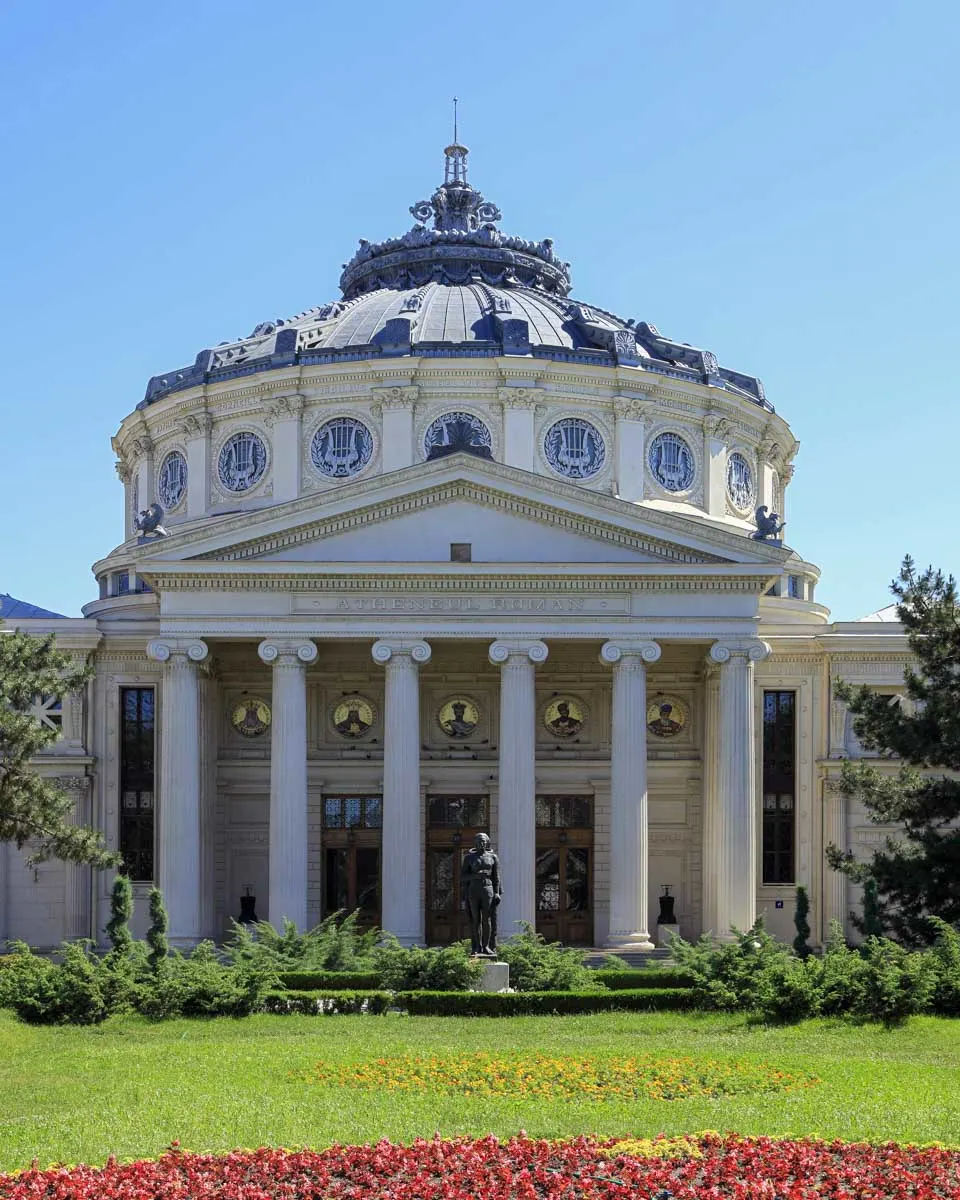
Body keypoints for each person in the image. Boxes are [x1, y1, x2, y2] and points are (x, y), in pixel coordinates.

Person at [461, 833, 501, 956]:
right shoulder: (469, 858)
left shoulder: (493, 857)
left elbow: (497, 877)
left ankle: (487, 946)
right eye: (479, 841)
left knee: (487, 920)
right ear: (475, 843)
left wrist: (497, 892)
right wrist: (476, 875)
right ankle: (476, 947)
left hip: (488, 889)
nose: (481, 843)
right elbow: (463, 877)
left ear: (487, 842)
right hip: (474, 889)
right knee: (475, 920)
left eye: (483, 841)